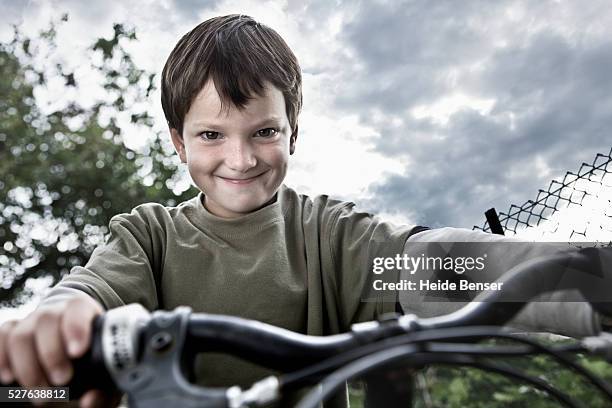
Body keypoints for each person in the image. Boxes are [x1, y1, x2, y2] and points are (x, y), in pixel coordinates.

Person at [0, 14, 606, 408]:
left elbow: (441, 265)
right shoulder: (149, 236)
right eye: (211, 135)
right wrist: (56, 319)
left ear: (293, 131)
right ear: (178, 141)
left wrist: (588, 279)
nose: (239, 160)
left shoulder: (331, 240)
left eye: (263, 131)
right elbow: (92, 289)